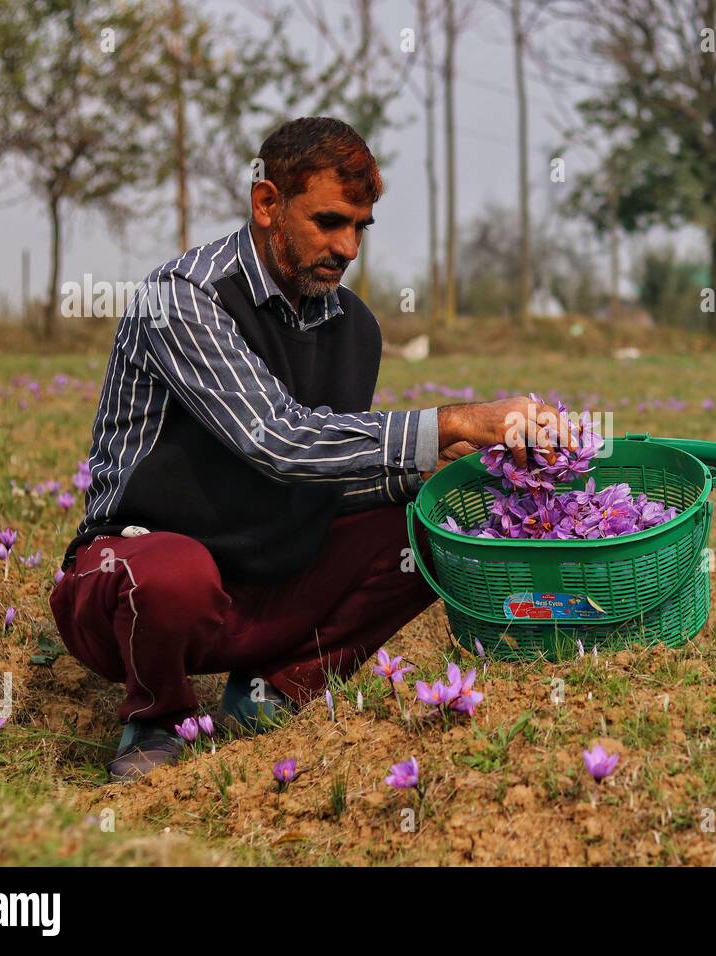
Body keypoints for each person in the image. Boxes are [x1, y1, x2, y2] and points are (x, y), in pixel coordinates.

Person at [50, 116, 568, 782]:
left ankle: (274, 688)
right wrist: (455, 420)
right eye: (328, 221)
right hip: (136, 582)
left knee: (436, 515)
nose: (348, 246)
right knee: (172, 574)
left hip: (266, 576)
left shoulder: (355, 329)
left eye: (360, 226)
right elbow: (277, 440)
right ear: (267, 205)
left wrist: (448, 466)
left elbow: (324, 474)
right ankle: (158, 719)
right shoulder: (181, 300)